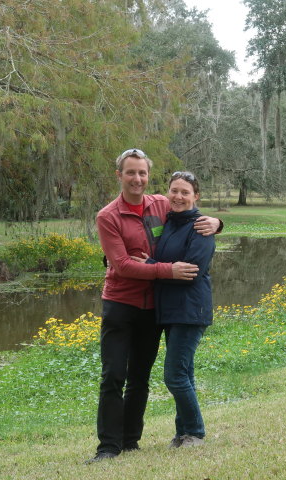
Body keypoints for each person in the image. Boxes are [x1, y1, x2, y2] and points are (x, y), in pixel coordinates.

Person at [87, 149, 221, 464]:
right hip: (120, 304)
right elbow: (120, 265)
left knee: (140, 378)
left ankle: (130, 441)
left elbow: (190, 212)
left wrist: (217, 222)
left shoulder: (160, 204)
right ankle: (108, 447)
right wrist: (166, 270)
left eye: (142, 173)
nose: (137, 179)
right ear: (119, 175)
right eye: (130, 173)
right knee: (113, 375)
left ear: (148, 176)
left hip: (152, 309)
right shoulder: (108, 216)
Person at [133, 171, 214, 448]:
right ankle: (183, 434)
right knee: (185, 373)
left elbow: (192, 271)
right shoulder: (170, 222)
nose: (178, 196)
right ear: (168, 193)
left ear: (196, 196)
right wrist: (154, 263)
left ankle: (196, 432)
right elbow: (167, 263)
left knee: (174, 375)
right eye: (174, 191)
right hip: (171, 310)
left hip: (191, 310)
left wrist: (151, 267)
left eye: (185, 192)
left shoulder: (201, 226)